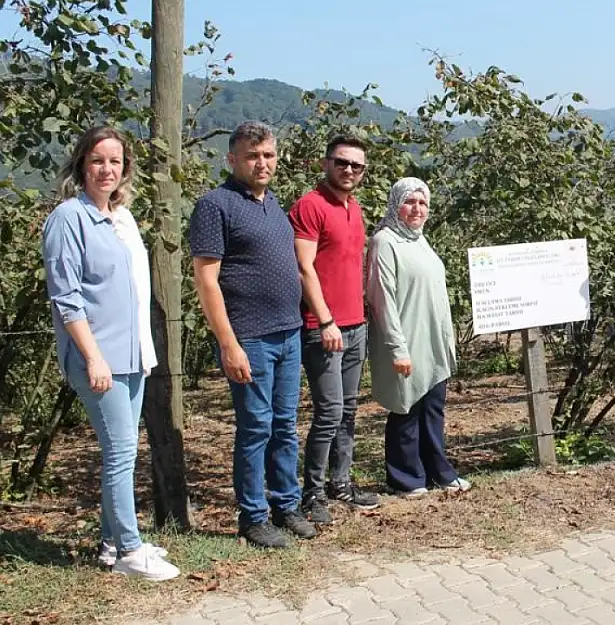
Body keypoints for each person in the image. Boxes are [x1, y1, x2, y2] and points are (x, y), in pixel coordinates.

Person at [42, 126, 179, 580]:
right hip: (99, 358)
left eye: (115, 161)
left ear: (125, 169)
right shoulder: (69, 218)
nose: (107, 169)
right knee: (120, 451)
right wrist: (93, 357)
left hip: (133, 354)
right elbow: (67, 298)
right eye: (98, 160)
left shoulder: (119, 218)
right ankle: (128, 550)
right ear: (82, 164)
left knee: (123, 451)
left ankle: (109, 543)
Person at [189, 121, 316, 548]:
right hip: (250, 340)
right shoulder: (215, 206)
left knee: (284, 425)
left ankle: (287, 505)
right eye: (252, 155)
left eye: (268, 155)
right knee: (256, 427)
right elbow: (207, 282)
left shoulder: (272, 204)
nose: (262, 163)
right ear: (232, 159)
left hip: (288, 333)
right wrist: (229, 343)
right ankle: (254, 516)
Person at [289, 135, 379, 523]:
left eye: (357, 166)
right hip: (323, 327)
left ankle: (340, 484)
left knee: (347, 411)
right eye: (342, 163)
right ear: (325, 163)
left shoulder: (353, 207)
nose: (349, 171)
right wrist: (325, 320)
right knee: (328, 412)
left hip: (354, 324)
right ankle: (312, 494)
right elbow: (303, 267)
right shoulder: (309, 206)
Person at [365, 178, 470, 497]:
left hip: (432, 342)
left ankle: (439, 471)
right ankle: (406, 478)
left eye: (423, 203)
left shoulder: (420, 240)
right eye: (410, 202)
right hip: (406, 342)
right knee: (406, 409)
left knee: (432, 410)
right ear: (396, 204)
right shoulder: (385, 241)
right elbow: (382, 298)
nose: (417, 209)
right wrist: (398, 349)